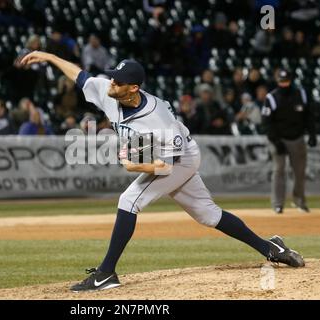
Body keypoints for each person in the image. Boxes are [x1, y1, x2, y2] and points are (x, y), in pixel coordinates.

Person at [20, 51, 305, 292]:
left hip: (179, 158)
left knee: (129, 200)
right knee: (208, 214)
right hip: (167, 158)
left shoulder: (159, 119)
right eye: (113, 77)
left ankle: (106, 274)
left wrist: (135, 166)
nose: (111, 82)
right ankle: (271, 248)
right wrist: (46, 56)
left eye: (118, 80)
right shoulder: (112, 93)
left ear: (133, 88)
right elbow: (80, 75)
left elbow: (166, 166)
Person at [261, 69, 317, 214]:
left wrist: (312, 134)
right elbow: (266, 123)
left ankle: (300, 201)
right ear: (277, 81)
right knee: (279, 170)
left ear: (291, 80)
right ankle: (278, 204)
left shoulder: (302, 94)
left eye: (286, 81)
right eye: (281, 81)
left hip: (297, 138)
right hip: (278, 138)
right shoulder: (271, 97)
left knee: (300, 172)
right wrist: (276, 141)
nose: (284, 84)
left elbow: (309, 116)